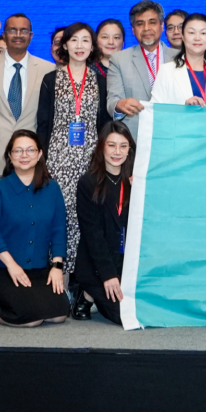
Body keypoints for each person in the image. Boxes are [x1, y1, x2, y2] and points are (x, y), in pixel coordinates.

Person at [37, 22, 108, 297]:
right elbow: (44, 123)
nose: (80, 46)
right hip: (58, 159)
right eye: (74, 40)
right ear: (65, 45)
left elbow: (104, 123)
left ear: (92, 46)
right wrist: (41, 160)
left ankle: (82, 281)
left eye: (85, 40)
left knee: (85, 217)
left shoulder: (100, 80)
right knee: (60, 216)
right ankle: (58, 278)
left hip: (90, 160)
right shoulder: (50, 79)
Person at [0, 129, 73, 326]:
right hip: (2, 268)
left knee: (59, 314)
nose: (24, 155)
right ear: (10, 156)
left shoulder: (52, 189)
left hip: (38, 268)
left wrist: (57, 267)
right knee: (31, 319)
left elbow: (58, 230)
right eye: (18, 151)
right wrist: (12, 265)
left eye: (30, 150)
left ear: (39, 154)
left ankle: (20, 301)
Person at [0, 12, 54, 205]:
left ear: (31, 36)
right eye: (12, 30)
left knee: (27, 214)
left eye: (23, 31)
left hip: (30, 158)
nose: (18, 35)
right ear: (4, 34)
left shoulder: (48, 69)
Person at [74, 125, 135, 325]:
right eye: (111, 145)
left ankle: (93, 295)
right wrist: (108, 275)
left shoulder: (135, 181)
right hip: (98, 265)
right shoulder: (87, 182)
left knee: (146, 307)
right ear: (101, 147)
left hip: (126, 263)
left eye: (123, 146)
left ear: (129, 149)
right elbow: (93, 234)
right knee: (125, 315)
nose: (117, 152)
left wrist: (141, 192)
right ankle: (87, 292)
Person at [106, 0, 166, 128]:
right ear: (133, 30)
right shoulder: (119, 59)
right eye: (140, 24)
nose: (146, 28)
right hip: (135, 133)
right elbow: (112, 101)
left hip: (172, 132)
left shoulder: (178, 57)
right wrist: (120, 105)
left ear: (162, 26)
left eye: (152, 22)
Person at [151, 12, 206, 104]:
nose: (197, 38)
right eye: (191, 32)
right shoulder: (166, 71)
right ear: (183, 36)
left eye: (203, 33)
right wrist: (184, 109)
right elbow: (155, 109)